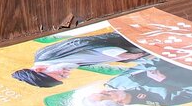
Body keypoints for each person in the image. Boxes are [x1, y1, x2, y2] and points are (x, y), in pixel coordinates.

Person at [11, 32, 148, 87]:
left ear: (40, 69)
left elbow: (83, 43)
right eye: (64, 77)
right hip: (131, 50)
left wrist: (127, 56)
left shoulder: (45, 56)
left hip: (125, 41)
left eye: (60, 75)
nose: (66, 74)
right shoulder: (64, 64)